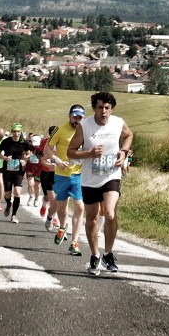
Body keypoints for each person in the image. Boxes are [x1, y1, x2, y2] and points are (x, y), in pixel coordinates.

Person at [67, 91, 133, 276]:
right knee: (92, 219)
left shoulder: (118, 122)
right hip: (89, 179)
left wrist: (123, 151)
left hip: (111, 175)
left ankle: (108, 253)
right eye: (100, 107)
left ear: (111, 109)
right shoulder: (84, 126)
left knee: (110, 213)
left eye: (107, 108)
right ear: (94, 108)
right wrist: (88, 154)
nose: (103, 111)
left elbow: (128, 136)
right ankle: (95, 255)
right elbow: (71, 152)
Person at [48, 106, 86, 257]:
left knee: (79, 206)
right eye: (75, 117)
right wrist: (57, 161)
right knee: (62, 207)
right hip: (62, 174)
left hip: (78, 174)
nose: (77, 120)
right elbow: (47, 150)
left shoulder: (86, 131)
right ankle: (63, 227)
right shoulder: (60, 130)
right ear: (69, 116)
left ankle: (74, 243)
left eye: (80, 117)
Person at [0, 123, 31, 223]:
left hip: (19, 170)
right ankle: (8, 204)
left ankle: (14, 215)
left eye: (18, 132)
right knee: (8, 194)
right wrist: (5, 158)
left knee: (17, 192)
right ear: (12, 132)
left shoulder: (24, 142)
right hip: (7, 170)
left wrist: (25, 160)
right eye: (15, 131)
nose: (16, 134)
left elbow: (28, 154)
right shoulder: (6, 141)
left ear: (21, 132)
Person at [37, 126, 58, 230]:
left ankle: (54, 217)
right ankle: (44, 206)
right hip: (45, 171)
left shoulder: (62, 142)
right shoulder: (44, 142)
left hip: (58, 173)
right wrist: (46, 160)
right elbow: (39, 155)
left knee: (56, 198)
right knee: (47, 196)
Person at [25, 133, 43, 206]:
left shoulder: (42, 148)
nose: (36, 146)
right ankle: (31, 196)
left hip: (39, 169)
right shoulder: (29, 147)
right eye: (34, 144)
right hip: (30, 168)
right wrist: (26, 158)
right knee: (30, 184)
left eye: (37, 144)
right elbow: (24, 156)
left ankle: (37, 198)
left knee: (37, 186)